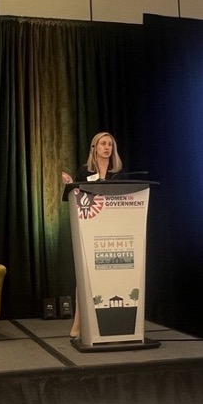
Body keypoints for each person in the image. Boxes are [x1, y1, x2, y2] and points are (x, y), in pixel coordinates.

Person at [61, 131, 123, 338]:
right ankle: (78, 322)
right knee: (84, 277)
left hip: (113, 230)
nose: (107, 148)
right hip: (89, 228)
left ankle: (108, 321)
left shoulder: (118, 174)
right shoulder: (84, 171)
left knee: (108, 276)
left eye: (110, 145)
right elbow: (74, 197)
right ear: (94, 148)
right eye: (103, 144)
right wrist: (69, 184)